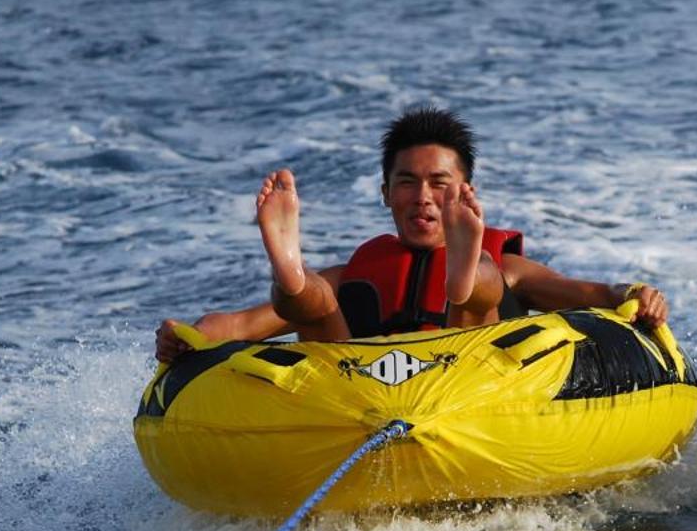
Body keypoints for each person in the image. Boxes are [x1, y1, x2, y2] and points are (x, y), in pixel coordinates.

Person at [153, 108, 669, 360]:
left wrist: (636, 296)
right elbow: (242, 324)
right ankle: (289, 268)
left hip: (475, 388)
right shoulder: (360, 272)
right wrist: (190, 334)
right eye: (407, 183)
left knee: (487, 281)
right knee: (310, 300)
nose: (422, 197)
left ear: (465, 193)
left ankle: (463, 283)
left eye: (439, 185)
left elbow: (596, 297)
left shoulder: (512, 268)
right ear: (385, 194)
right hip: (356, 400)